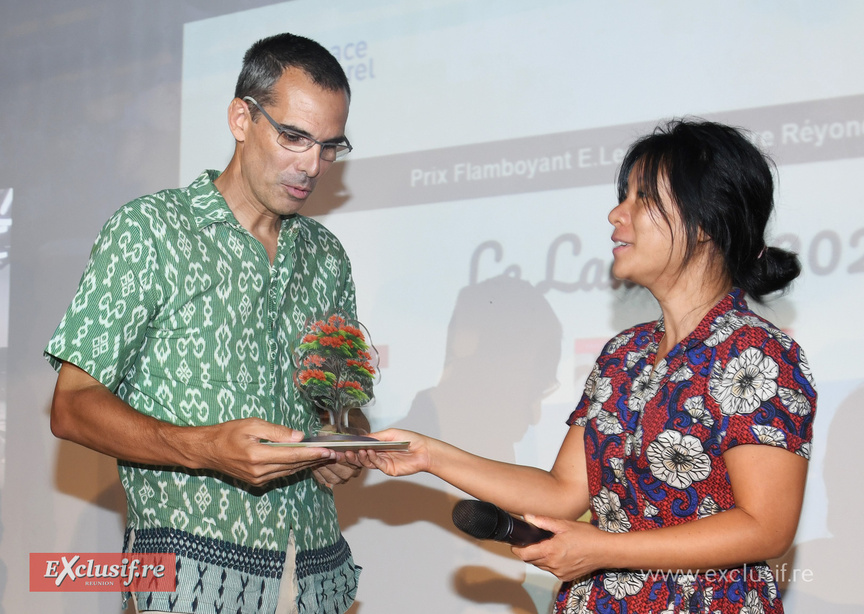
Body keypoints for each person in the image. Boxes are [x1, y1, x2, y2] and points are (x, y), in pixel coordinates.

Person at [357, 119, 816, 613]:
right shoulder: (625, 354)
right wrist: (428, 453)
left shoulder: (760, 353)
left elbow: (766, 527)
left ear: (705, 220)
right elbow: (563, 492)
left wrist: (602, 548)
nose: (617, 213)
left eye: (642, 198)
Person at [45, 32, 364, 614]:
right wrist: (206, 449)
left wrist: (341, 444)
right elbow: (72, 406)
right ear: (242, 117)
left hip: (315, 574)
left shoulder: (326, 256)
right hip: (189, 578)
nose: (312, 165)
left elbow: (337, 406)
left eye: (329, 147)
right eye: (294, 137)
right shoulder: (150, 231)